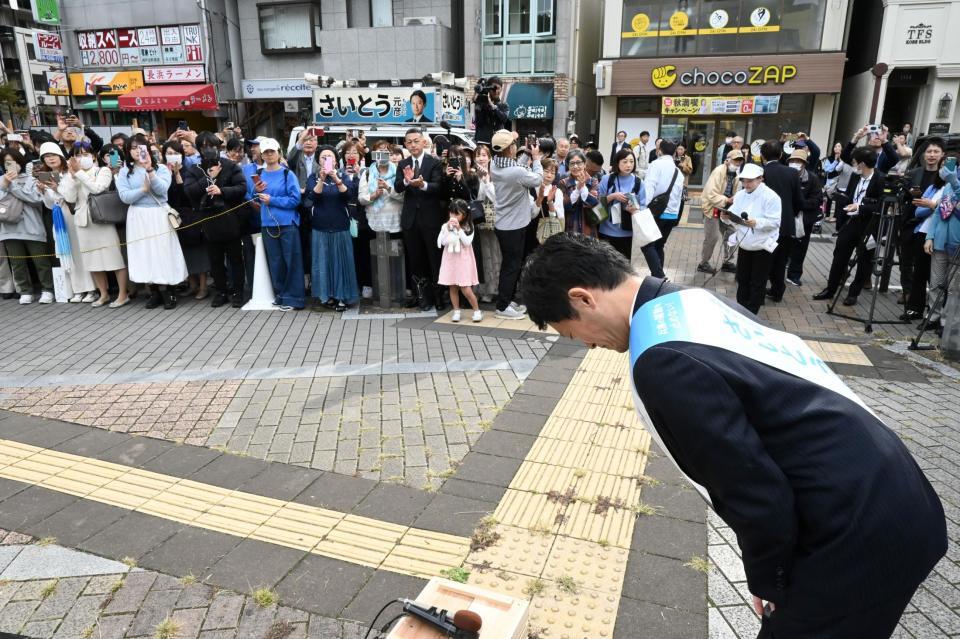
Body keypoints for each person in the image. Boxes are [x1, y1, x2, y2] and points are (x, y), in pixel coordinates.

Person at [520, 232, 946, 639]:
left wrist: (769, 578)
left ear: (582, 298)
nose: (590, 346)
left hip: (856, 531)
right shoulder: (689, 300)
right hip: (893, 490)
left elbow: (753, 489)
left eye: (573, 333)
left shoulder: (662, 359)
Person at [116, 133, 188, 310]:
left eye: (140, 147)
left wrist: (150, 171)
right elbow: (125, 197)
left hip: (157, 214)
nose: (136, 151)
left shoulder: (162, 168)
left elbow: (163, 190)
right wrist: (142, 189)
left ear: (147, 149)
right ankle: (153, 291)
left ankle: (169, 290)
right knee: (144, 252)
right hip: (138, 216)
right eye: (132, 148)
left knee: (163, 251)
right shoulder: (125, 171)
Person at [58, 139, 129, 308]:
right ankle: (103, 294)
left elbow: (98, 189)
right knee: (92, 261)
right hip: (83, 221)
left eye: (85, 154)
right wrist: (73, 178)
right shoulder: (72, 175)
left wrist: (80, 174)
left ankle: (122, 293)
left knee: (114, 258)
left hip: (103, 219)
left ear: (93, 156)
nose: (82, 157)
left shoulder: (103, 170)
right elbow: (69, 198)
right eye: (78, 155)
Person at [814, 147, 885, 306]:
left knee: (864, 261)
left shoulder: (880, 179)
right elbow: (851, 197)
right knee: (839, 256)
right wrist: (840, 198)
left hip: (869, 226)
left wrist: (860, 207)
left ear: (862, 163)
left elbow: (882, 207)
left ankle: (853, 293)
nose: (854, 165)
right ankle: (830, 289)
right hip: (850, 222)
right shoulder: (855, 177)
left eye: (856, 162)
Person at [183, 148, 248, 308]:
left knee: (235, 259)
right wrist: (208, 178)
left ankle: (238, 292)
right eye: (203, 148)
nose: (209, 154)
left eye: (211, 146)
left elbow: (242, 188)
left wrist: (222, 191)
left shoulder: (230, 166)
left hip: (230, 218)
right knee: (215, 260)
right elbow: (189, 192)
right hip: (207, 219)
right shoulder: (194, 169)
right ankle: (221, 292)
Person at [246, 137, 305, 311]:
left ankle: (294, 298)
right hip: (267, 224)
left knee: (291, 260)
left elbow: (295, 199)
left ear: (279, 153)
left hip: (287, 223)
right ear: (262, 155)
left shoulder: (288, 174)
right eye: (266, 152)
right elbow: (252, 198)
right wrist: (255, 191)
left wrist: (273, 200)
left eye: (272, 151)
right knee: (275, 261)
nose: (269, 154)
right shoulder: (260, 174)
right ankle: (281, 295)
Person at [34, 141, 97, 303]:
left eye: (53, 155)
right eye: (46, 157)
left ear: (60, 156)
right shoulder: (47, 176)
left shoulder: (69, 173)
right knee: (66, 252)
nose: (50, 159)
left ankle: (91, 288)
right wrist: (43, 192)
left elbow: (71, 197)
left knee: (79, 251)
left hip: (72, 214)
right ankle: (77, 289)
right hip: (58, 216)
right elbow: (50, 204)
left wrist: (56, 188)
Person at [490, 129, 542, 320]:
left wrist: (527, 154)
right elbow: (537, 178)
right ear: (510, 148)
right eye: (514, 144)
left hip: (506, 224)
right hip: (513, 227)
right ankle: (502, 307)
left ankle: (509, 300)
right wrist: (535, 158)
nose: (515, 146)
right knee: (511, 266)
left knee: (512, 264)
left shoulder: (495, 164)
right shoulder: (515, 172)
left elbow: (516, 168)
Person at [395, 129, 446, 311]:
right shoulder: (403, 163)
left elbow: (438, 186)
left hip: (431, 218)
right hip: (411, 219)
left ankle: (438, 296)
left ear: (424, 142)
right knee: (415, 260)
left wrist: (422, 184)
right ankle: (420, 296)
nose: (413, 145)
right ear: (405, 145)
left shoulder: (434, 163)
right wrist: (408, 182)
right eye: (409, 142)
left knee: (434, 259)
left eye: (416, 141)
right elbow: (397, 186)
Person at [721, 163, 782, 313]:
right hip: (745, 243)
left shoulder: (771, 196)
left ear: (760, 179)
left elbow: (775, 222)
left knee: (758, 280)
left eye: (750, 181)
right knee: (742, 278)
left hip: (763, 244)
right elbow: (734, 215)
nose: (746, 184)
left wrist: (757, 222)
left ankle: (752, 311)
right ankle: (741, 308)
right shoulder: (740, 195)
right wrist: (726, 217)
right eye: (743, 181)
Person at [304, 145, 358, 312]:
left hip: (340, 225)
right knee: (323, 262)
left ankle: (342, 297)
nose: (326, 159)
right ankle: (326, 296)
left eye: (330, 156)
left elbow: (348, 195)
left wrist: (336, 178)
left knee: (341, 263)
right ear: (318, 160)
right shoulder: (313, 177)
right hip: (320, 226)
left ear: (335, 160)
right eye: (323, 157)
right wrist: (321, 179)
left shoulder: (343, 175)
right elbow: (312, 197)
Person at [0, 148, 54, 304]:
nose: (11, 165)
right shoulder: (1, 181)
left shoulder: (31, 180)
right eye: (7, 162)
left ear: (20, 162)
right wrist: (5, 185)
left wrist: (13, 187)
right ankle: (25, 291)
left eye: (14, 161)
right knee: (17, 262)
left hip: (32, 227)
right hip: (9, 229)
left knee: (41, 261)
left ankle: (47, 289)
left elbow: (35, 199)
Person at [899, 140, 945, 318]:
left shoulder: (945, 179)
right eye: (929, 151)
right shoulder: (913, 173)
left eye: (936, 151)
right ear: (923, 155)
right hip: (913, 224)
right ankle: (912, 301)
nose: (932, 155)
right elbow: (907, 201)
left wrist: (930, 205)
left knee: (930, 272)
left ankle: (932, 310)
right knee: (909, 265)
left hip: (933, 229)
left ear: (942, 155)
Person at [759, 141, 803, 303]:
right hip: (786, 225)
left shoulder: (761, 172)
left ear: (762, 156)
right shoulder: (792, 173)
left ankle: (760, 292)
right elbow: (799, 200)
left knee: (763, 260)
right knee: (781, 260)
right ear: (781, 155)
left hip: (765, 225)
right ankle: (777, 292)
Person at [168, 140, 209, 300]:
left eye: (176, 153)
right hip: (174, 216)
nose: (172, 157)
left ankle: (204, 286)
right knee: (183, 252)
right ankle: (192, 285)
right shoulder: (162, 172)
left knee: (198, 250)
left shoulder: (191, 170)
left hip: (191, 214)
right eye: (169, 153)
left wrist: (177, 174)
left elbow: (188, 194)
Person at [923, 164, 960, 333]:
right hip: (939, 242)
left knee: (953, 288)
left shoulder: (955, 186)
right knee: (936, 283)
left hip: (957, 244)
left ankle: (946, 323)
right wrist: (929, 237)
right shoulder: (947, 187)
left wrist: (954, 182)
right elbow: (938, 212)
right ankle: (932, 317)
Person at [698, 149, 744, 275]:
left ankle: (727, 261)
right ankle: (703, 263)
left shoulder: (737, 175)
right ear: (728, 160)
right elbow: (710, 194)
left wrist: (731, 202)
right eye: (735, 160)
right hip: (713, 207)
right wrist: (727, 200)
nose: (738, 163)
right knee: (712, 237)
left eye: (740, 161)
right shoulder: (718, 171)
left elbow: (737, 193)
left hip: (727, 208)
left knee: (731, 234)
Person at [438, 199, 481, 323]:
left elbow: (467, 242)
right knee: (452, 286)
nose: (453, 216)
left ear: (465, 215)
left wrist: (458, 230)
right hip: (451, 259)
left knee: (465, 288)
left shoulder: (469, 226)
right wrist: (447, 230)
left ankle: (477, 310)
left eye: (457, 214)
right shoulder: (446, 226)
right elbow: (442, 242)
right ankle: (456, 311)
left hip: (464, 260)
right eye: (451, 213)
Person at [644, 140, 684, 272]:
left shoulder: (655, 164)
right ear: (674, 153)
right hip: (672, 214)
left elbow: (649, 187)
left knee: (647, 245)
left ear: (659, 150)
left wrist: (644, 209)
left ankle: (659, 276)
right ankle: (659, 277)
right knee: (659, 245)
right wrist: (676, 214)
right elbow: (679, 195)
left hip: (656, 213)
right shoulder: (678, 171)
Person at [785, 149, 823, 287]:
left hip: (803, 218)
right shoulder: (786, 175)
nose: (795, 163)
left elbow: (817, 199)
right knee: (783, 246)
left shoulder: (812, 178)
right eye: (792, 161)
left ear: (804, 164)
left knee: (800, 248)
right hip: (786, 217)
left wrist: (802, 204)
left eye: (798, 161)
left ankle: (794, 274)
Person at [598, 148, 642, 264]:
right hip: (606, 230)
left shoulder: (638, 182)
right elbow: (597, 202)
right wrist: (612, 196)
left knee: (624, 266)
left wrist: (635, 209)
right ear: (617, 162)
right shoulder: (607, 179)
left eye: (631, 161)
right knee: (605, 265)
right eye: (625, 161)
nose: (629, 165)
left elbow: (644, 205)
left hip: (627, 231)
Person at [340, 140, 372, 299]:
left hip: (361, 216)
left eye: (354, 152)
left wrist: (359, 174)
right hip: (344, 215)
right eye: (347, 152)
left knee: (363, 251)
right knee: (348, 251)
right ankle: (352, 284)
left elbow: (367, 194)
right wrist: (345, 176)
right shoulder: (339, 172)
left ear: (360, 155)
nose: (351, 155)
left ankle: (366, 283)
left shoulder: (366, 172)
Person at [474, 145, 500, 303]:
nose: (481, 158)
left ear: (489, 157)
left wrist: (487, 181)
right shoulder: (472, 175)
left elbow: (496, 198)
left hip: (492, 221)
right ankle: (479, 289)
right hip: (476, 221)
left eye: (484, 155)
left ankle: (493, 289)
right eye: (478, 155)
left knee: (493, 253)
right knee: (480, 255)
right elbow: (475, 198)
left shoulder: (495, 174)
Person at [560, 149, 599, 237]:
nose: (575, 166)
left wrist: (583, 187)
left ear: (585, 164)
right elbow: (565, 206)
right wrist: (578, 189)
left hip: (589, 227)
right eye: (572, 163)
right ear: (568, 166)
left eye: (579, 162)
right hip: (570, 226)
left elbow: (595, 204)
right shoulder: (563, 183)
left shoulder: (593, 181)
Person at [821, 143, 854, 229]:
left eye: (839, 146)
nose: (837, 148)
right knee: (829, 198)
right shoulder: (829, 159)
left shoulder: (846, 159)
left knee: (839, 200)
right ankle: (827, 215)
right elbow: (828, 170)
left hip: (842, 183)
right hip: (831, 182)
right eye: (835, 146)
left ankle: (835, 217)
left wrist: (841, 160)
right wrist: (835, 160)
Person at [473, 77, 509, 146]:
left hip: (498, 143)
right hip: (483, 142)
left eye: (498, 88)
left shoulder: (503, 105)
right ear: (489, 89)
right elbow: (479, 122)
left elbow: (503, 119)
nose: (496, 91)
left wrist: (492, 106)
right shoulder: (481, 102)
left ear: (501, 89)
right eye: (493, 88)